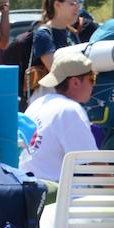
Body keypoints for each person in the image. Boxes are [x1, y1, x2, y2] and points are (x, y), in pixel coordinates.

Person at [20, 44, 101, 181]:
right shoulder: (70, 110)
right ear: (75, 82)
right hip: (58, 195)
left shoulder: (38, 103)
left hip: (31, 191)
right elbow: (94, 166)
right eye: (91, 79)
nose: (94, 85)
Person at [28, 0, 84, 101]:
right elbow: (58, 71)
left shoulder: (72, 34)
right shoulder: (43, 34)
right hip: (49, 102)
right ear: (57, 5)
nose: (77, 8)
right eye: (72, 3)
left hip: (69, 100)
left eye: (79, 2)